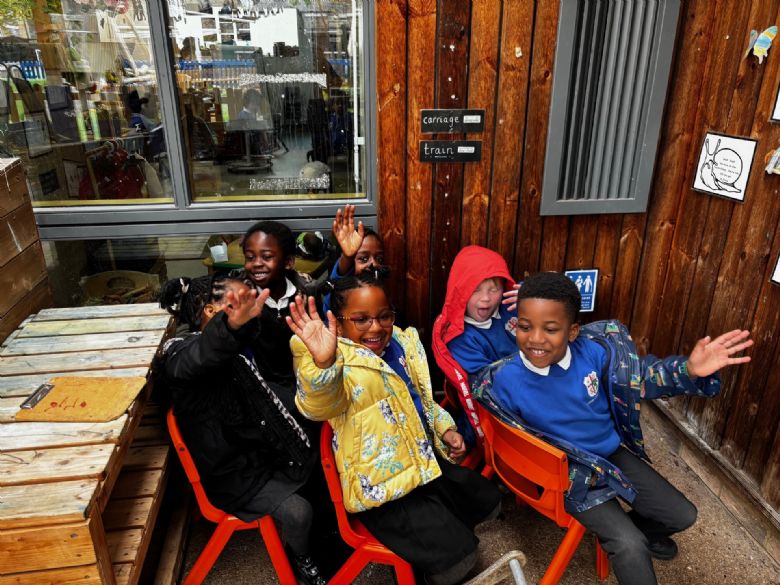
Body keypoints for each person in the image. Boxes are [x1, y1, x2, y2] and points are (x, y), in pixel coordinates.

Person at [477, 271, 753, 585]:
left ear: (573, 331)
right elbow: (509, 439)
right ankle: (627, 539)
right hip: (571, 477)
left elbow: (640, 377)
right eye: (525, 327)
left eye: (550, 329)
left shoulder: (594, 353)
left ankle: (635, 533)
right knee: (629, 547)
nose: (535, 339)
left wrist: (688, 370)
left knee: (682, 515)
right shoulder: (503, 382)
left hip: (611, 456)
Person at [287, 274, 502, 585]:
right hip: (381, 488)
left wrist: (443, 428)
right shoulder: (331, 360)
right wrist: (324, 365)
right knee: (458, 560)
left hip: (418, 461)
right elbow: (318, 405)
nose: (375, 327)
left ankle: (434, 540)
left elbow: (421, 401)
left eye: (384, 316)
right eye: (361, 319)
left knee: (484, 499)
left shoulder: (400, 346)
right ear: (339, 324)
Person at [156, 274, 326, 585]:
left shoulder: (239, 347)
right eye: (237, 304)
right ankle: (302, 560)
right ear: (211, 312)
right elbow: (199, 355)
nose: (249, 310)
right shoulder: (181, 352)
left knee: (321, 462)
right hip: (232, 473)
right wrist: (229, 327)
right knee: (299, 512)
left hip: (254, 450)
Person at [237, 220, 314, 405]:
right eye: (250, 257)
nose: (256, 264)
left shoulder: (305, 294)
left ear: (288, 262)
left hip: (303, 384)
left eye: (267, 257)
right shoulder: (243, 297)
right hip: (261, 389)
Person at [442, 245, 521, 379]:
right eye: (475, 290)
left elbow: (553, 285)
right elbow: (486, 382)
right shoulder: (460, 340)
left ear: (504, 288)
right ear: (460, 292)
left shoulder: (513, 303)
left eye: (494, 289)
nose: (485, 298)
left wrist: (534, 296)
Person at [321, 203, 387, 316]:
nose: (374, 263)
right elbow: (340, 277)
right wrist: (348, 257)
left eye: (379, 259)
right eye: (364, 258)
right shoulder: (339, 295)